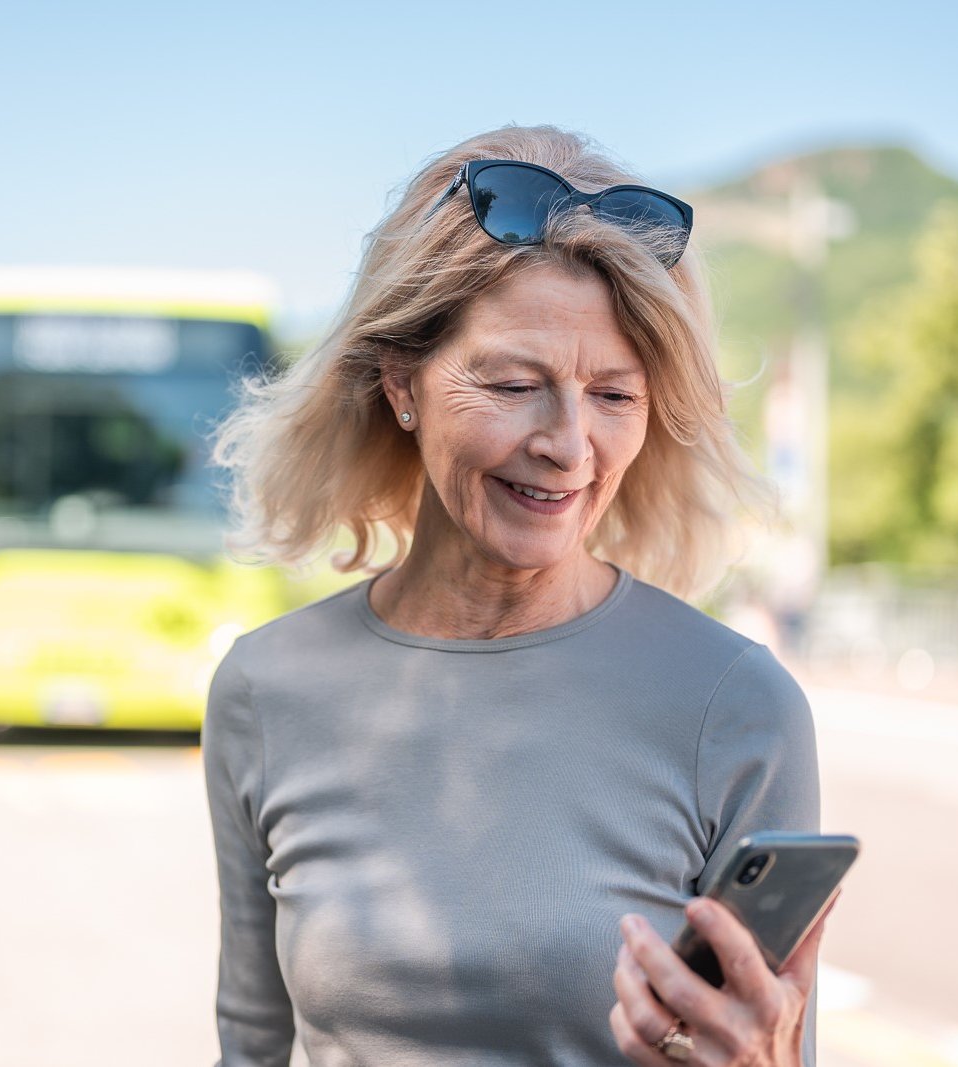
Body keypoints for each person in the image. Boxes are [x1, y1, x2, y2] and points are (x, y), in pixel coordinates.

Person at [203, 124, 829, 1066]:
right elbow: (250, 1043)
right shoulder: (265, 688)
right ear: (400, 381)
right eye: (512, 383)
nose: (568, 445)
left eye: (614, 396)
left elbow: (779, 1045)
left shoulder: (735, 707)